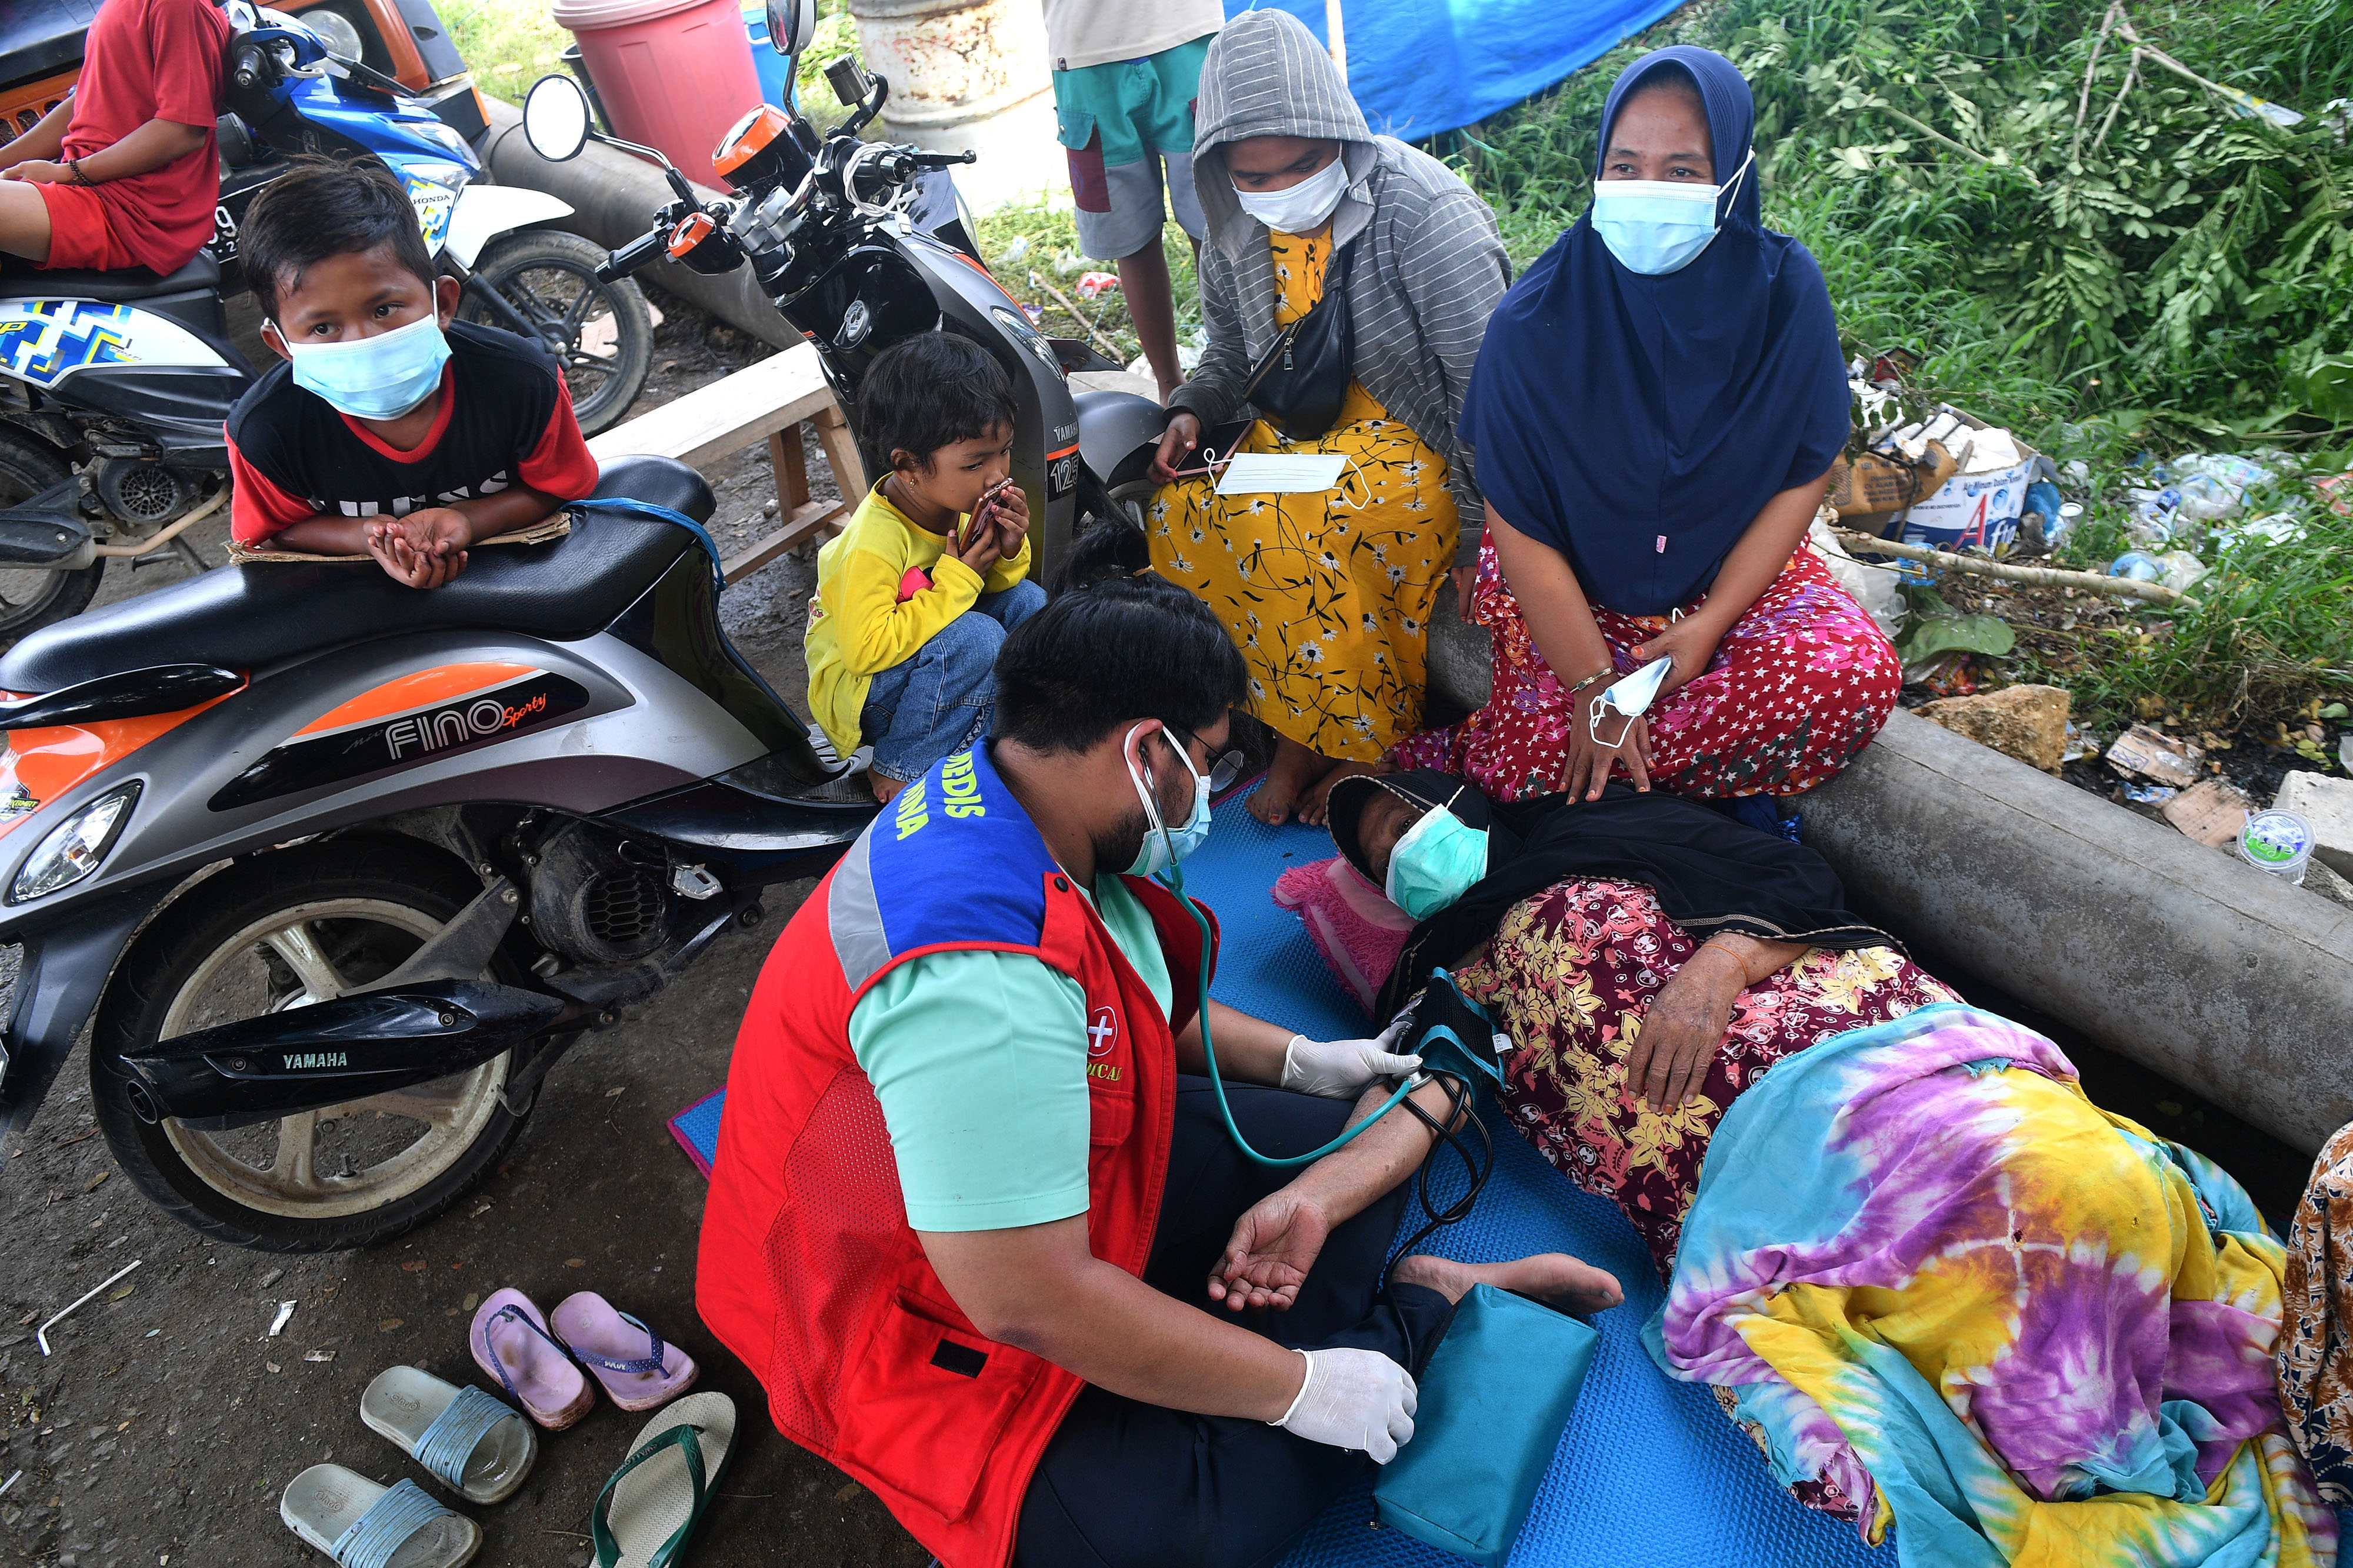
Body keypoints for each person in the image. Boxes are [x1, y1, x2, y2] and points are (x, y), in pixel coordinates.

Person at [699, 575, 1621, 1568]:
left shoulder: (1015, 801)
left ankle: (1344, 1324)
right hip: (888, 1307)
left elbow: (1126, 1001)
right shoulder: (979, 986)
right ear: (1146, 751)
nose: (1209, 796)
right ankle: (1415, 1309)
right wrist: (1295, 1387)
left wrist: (1308, 1062)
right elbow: (1023, 1300)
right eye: (1210, 762)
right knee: (1202, 1527)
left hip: (1028, 1176)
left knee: (1336, 1149)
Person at [1318, 775, 2336, 1560]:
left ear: (1460, 809)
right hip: (1756, 1158)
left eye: (1405, 826)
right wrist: (1317, 1200)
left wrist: (1723, 960)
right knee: (2016, 1238)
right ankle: (2085, 1410)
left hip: (1894, 1042)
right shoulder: (1443, 969)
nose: (1405, 856)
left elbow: (1797, 888)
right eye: (1380, 858)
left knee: (2076, 1179)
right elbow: (1424, 1092)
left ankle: (2131, 1337)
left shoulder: (1615, 831)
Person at [1393, 47, 1900, 807]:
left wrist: (1714, 620)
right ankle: (1594, 765)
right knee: (1544, 755)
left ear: (1731, 178)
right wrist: (1595, 684)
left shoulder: (1785, 293)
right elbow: (1519, 523)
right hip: (1574, 590)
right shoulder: (1535, 322)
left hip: (1731, 582)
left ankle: (1607, 776)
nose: (1647, 191)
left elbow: (1807, 466)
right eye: (1625, 167)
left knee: (1853, 675)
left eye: (1683, 171)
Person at [1145, 8, 1508, 829]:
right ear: (1222, 170)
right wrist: (1193, 408)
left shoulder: (1424, 214)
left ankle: (1364, 741)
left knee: (1311, 524)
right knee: (1184, 515)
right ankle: (1291, 728)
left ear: (1338, 136)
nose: (1277, 191)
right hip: (1303, 434)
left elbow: (1489, 391)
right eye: (1254, 176)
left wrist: (1481, 533)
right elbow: (1231, 354)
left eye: (1301, 166)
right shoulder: (1236, 224)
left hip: (1423, 443)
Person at [224, 159, 598, 589]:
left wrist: (469, 520)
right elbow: (271, 534)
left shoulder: (524, 382)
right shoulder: (266, 432)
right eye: (323, 328)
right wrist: (368, 538)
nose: (364, 343)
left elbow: (563, 487)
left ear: (444, 303)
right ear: (281, 346)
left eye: (384, 310)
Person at [804, 334, 1046, 803]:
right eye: (976, 462)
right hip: (862, 696)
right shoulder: (873, 545)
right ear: (909, 465)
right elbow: (866, 651)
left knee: (1028, 603)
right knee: (976, 637)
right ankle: (900, 766)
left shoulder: (953, 500)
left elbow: (989, 587)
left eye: (1004, 451)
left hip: (924, 662)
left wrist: (1010, 549)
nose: (998, 474)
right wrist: (959, 578)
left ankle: (1006, 729)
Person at [1040, 0, 1219, 401]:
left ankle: (1238, 367)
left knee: (1215, 228)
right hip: (1086, 52)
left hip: (1185, 32)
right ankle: (1170, 386)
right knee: (1131, 239)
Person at [0, 0, 228, 276]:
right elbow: (85, 101)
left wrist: (66, 173)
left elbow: (182, 131)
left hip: (128, 211)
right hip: (89, 186)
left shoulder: (178, 5)